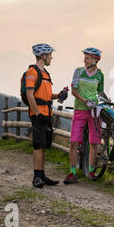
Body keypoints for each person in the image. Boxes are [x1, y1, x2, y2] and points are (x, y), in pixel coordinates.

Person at [26, 43, 68, 188]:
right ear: (43, 56)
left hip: (46, 113)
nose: (51, 57)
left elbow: (48, 95)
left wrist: (59, 95)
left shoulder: (45, 74)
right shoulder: (32, 72)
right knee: (38, 145)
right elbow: (29, 94)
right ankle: (36, 177)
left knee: (43, 145)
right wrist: (37, 113)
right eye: (50, 55)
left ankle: (42, 175)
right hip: (38, 114)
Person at [64, 47, 109, 184]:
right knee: (74, 142)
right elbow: (73, 91)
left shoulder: (100, 76)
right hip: (80, 110)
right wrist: (85, 101)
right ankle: (72, 173)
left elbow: (100, 93)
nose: (85, 60)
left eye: (87, 58)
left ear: (95, 60)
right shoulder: (78, 72)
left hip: (95, 112)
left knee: (94, 142)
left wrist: (107, 102)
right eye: (85, 57)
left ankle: (90, 171)